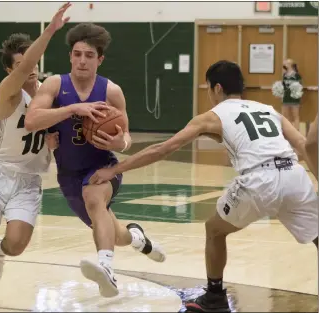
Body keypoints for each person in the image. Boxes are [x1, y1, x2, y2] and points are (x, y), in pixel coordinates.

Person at [89, 60, 318, 312]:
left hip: (258, 179)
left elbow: (161, 149)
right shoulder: (269, 109)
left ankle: (215, 296)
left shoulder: (212, 116)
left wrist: (114, 169)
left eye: (209, 89)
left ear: (217, 88)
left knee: (214, 230)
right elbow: (305, 146)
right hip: (294, 173)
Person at [25, 22, 166, 298]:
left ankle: (107, 270)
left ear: (100, 59)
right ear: (70, 56)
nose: (82, 60)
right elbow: (32, 120)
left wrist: (119, 143)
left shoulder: (111, 91)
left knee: (93, 197)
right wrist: (73, 109)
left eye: (89, 55)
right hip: (68, 173)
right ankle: (137, 238)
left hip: (103, 166)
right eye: (77, 54)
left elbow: (126, 137)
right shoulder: (55, 85)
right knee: (116, 234)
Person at [0, 3, 71, 306]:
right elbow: (24, 67)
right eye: (21, 63)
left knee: (17, 244)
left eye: (32, 60)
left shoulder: (49, 92)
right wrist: (51, 30)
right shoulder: (8, 92)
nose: (30, 67)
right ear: (10, 70)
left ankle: (1, 253)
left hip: (28, 180)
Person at [281, 59, 302, 130]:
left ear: (290, 65)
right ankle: (290, 131)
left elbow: (300, 87)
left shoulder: (297, 75)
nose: (284, 65)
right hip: (286, 98)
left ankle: (297, 131)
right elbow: (283, 86)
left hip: (294, 99)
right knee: (286, 116)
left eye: (286, 63)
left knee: (295, 116)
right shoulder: (284, 75)